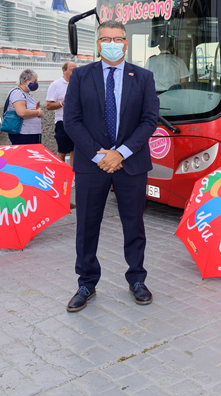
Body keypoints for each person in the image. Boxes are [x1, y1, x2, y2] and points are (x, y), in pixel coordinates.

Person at [63, 20, 159, 313]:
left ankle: (137, 279)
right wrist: (99, 155)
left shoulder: (143, 77)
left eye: (117, 38)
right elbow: (71, 121)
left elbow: (149, 120)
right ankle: (86, 282)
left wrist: (122, 153)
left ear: (126, 43)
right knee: (87, 226)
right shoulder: (80, 76)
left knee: (134, 224)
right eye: (106, 38)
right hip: (92, 166)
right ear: (98, 43)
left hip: (131, 164)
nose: (112, 43)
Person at [46, 61, 78, 164]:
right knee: (62, 150)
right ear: (64, 71)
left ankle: (74, 175)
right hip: (62, 122)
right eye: (72, 70)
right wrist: (63, 103)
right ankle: (61, 176)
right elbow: (48, 105)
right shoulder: (55, 85)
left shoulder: (78, 83)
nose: (75, 72)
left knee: (75, 150)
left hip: (77, 122)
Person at [5, 69, 44, 145]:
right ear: (25, 81)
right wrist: (38, 112)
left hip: (31, 133)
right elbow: (22, 112)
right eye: (34, 81)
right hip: (23, 134)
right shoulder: (17, 93)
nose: (36, 83)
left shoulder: (26, 94)